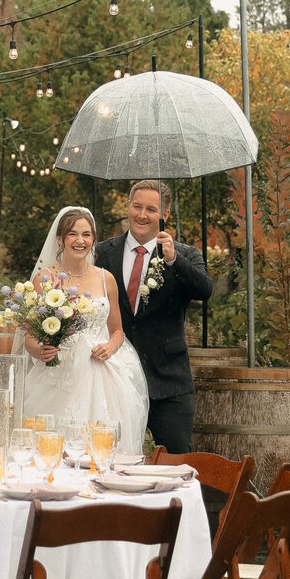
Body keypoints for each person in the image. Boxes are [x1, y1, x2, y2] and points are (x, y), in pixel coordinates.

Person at [19, 205, 149, 456]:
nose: (80, 241)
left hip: (101, 376)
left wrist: (111, 346)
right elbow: (30, 338)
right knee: (52, 449)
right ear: (60, 239)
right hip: (57, 378)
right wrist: (41, 350)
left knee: (100, 451)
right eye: (73, 234)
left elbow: (117, 331)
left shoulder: (106, 279)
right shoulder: (44, 279)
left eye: (86, 235)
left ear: (93, 240)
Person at [95, 179, 213, 453]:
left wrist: (173, 260)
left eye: (151, 209)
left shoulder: (184, 255)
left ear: (164, 215)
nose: (141, 215)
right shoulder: (102, 252)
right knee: (111, 463)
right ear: (128, 206)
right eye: (137, 206)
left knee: (174, 466)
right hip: (114, 379)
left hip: (169, 384)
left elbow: (204, 291)